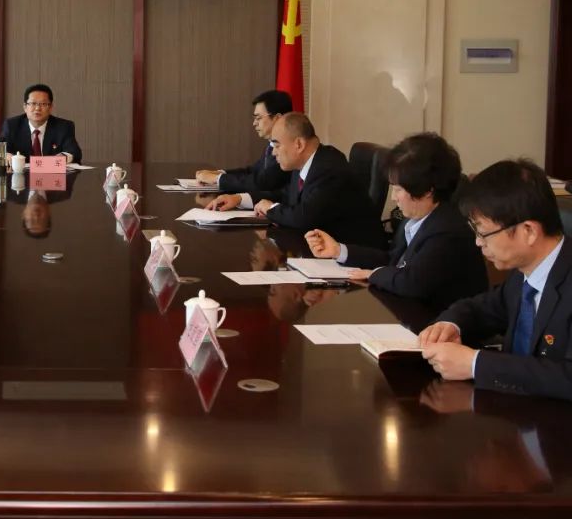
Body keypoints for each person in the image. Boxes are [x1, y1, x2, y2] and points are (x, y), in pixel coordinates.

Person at [419, 159, 572, 401]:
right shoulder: (524, 273)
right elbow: (483, 308)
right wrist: (450, 324)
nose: (478, 242)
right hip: (512, 412)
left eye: (483, 233)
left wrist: (475, 364)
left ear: (529, 231)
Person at [305, 133, 488, 310]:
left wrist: (374, 274)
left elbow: (411, 282)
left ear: (427, 191)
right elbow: (393, 261)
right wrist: (339, 250)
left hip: (437, 322)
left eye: (398, 189)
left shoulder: (447, 231)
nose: (393, 197)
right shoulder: (417, 219)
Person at [209, 113, 386, 249]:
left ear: (299, 144)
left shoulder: (329, 168)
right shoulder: (306, 162)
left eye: (277, 145)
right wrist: (240, 199)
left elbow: (304, 216)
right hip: (321, 248)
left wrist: (270, 208)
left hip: (355, 256)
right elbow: (285, 195)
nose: (273, 152)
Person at [196, 89, 292, 193]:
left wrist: (217, 179)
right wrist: (220, 174)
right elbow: (252, 172)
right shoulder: (271, 146)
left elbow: (262, 182)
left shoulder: (287, 149)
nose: (254, 123)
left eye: (258, 118)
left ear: (277, 118)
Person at [0, 83, 82, 164]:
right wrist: (6, 155)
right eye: (33, 103)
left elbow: (75, 152)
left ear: (50, 108)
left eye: (43, 104)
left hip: (51, 173)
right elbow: (1, 151)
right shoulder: (12, 125)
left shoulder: (63, 127)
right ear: (25, 107)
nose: (37, 108)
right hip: (21, 173)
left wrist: (64, 156)